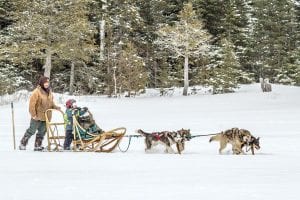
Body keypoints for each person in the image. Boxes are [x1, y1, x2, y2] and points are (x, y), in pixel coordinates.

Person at [19, 76, 60, 151]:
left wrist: (55, 107)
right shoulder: (37, 92)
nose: (47, 84)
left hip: (46, 116)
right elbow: (32, 104)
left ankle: (38, 145)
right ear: (41, 83)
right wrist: (33, 115)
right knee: (32, 130)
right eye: (45, 82)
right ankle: (23, 143)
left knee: (42, 131)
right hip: (37, 116)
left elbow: (51, 102)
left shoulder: (49, 91)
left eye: (48, 82)